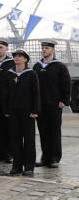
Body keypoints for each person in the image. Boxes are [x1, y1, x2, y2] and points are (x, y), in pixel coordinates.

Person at [34, 40, 71, 168]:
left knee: (54, 131)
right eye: (43, 48)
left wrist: (64, 100)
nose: (44, 50)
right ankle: (45, 157)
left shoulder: (59, 66)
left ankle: (55, 158)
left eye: (47, 48)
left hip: (55, 105)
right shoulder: (37, 67)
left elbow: (66, 83)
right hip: (40, 105)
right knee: (43, 131)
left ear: (52, 50)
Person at [6, 49, 40, 176]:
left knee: (29, 140)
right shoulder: (9, 74)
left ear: (25, 59)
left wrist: (35, 110)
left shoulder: (31, 74)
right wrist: (6, 109)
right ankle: (17, 165)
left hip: (27, 111)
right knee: (15, 139)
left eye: (20, 56)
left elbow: (36, 93)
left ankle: (29, 166)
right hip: (13, 111)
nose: (17, 58)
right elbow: (6, 93)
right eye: (15, 56)